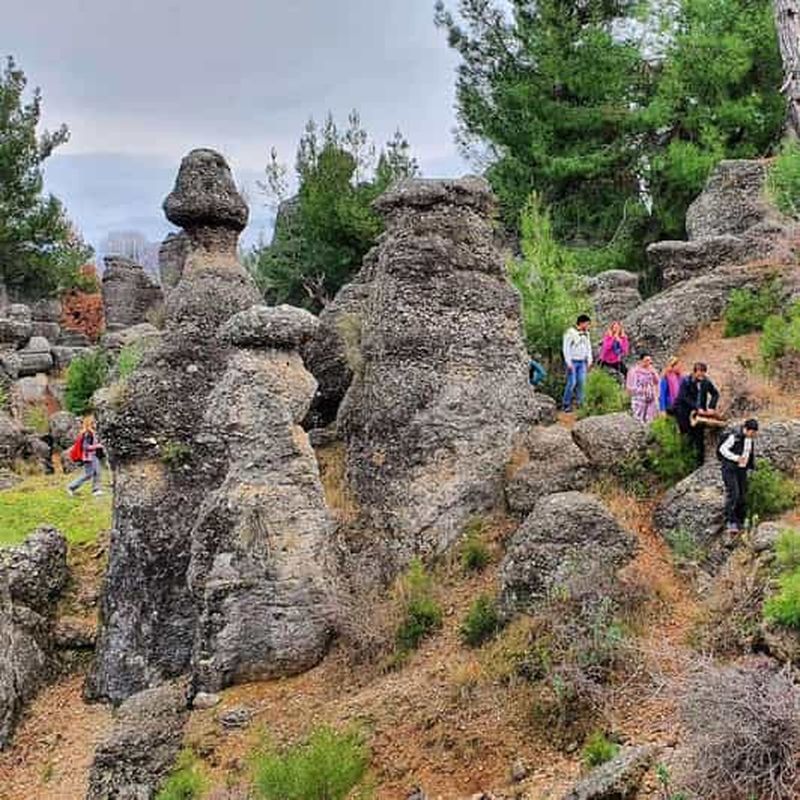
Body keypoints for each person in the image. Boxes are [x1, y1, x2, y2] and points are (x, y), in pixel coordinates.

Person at [673, 362, 721, 464]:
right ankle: (685, 462)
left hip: (699, 415)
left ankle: (700, 463)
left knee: (699, 437)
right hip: (684, 412)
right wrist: (696, 407)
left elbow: (715, 394)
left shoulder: (706, 382)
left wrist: (711, 407)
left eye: (703, 374)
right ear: (695, 372)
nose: (701, 376)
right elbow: (683, 397)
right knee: (687, 437)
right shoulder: (686, 381)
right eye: (700, 374)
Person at [718, 418, 759, 534]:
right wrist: (736, 458)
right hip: (729, 469)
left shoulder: (750, 439)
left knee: (742, 494)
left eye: (755, 433)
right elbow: (722, 449)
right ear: (746, 429)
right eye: (752, 432)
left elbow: (749, 453)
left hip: (742, 470)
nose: (753, 435)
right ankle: (730, 521)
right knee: (733, 494)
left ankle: (740, 520)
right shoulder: (734, 437)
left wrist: (751, 467)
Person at [562, 314, 593, 412]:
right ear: (582, 323)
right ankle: (566, 404)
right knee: (572, 383)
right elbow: (566, 348)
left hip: (582, 361)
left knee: (582, 383)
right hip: (573, 362)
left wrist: (589, 359)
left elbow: (588, 347)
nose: (588, 326)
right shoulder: (570, 332)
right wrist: (568, 362)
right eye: (587, 324)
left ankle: (581, 403)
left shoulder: (586, 333)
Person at [67, 416, 104, 497]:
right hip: (88, 457)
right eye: (93, 423)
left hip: (94, 456)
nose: (95, 424)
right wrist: (98, 446)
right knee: (88, 474)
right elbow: (85, 447)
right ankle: (71, 487)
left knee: (97, 472)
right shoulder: (88, 434)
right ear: (89, 424)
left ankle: (96, 490)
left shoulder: (94, 433)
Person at [626, 353, 660, 423]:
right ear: (641, 361)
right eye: (646, 360)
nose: (649, 363)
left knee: (651, 417)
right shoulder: (634, 371)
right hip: (639, 398)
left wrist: (653, 372)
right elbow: (631, 386)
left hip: (651, 396)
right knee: (638, 416)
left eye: (650, 361)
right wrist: (641, 390)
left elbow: (656, 381)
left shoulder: (651, 370)